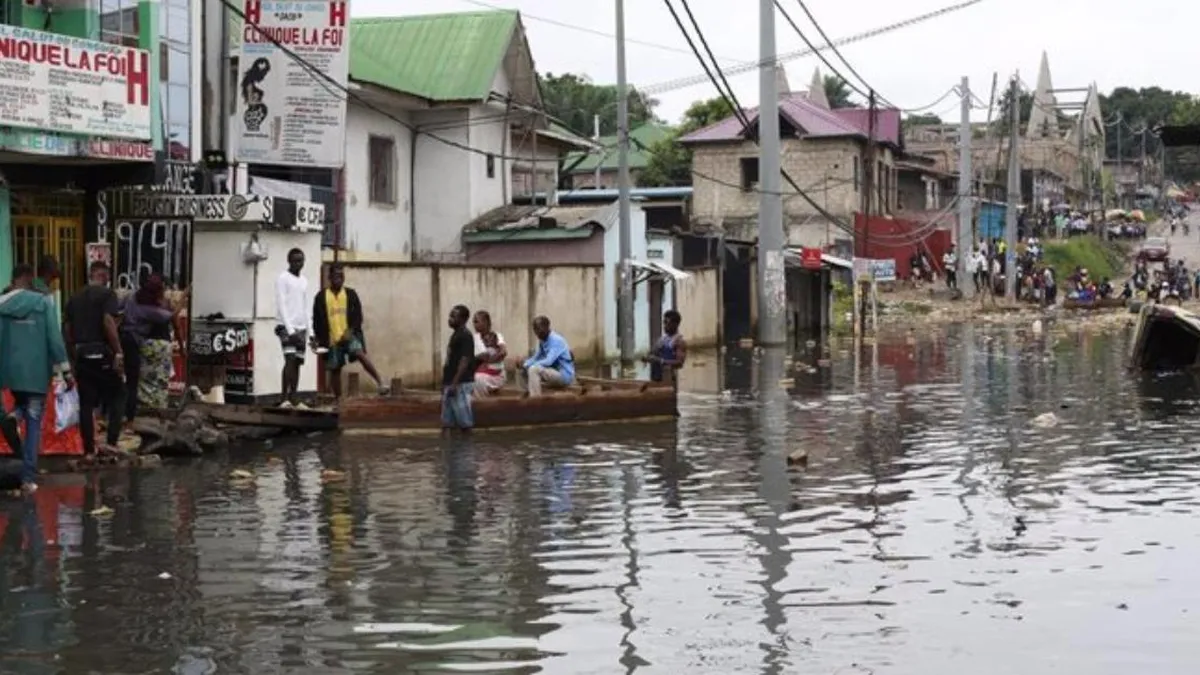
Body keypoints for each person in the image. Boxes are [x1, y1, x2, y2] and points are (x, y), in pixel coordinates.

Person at [0, 264, 71, 495]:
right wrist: (66, 370)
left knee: (22, 405)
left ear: (13, 279)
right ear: (29, 279)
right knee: (33, 425)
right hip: (37, 373)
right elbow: (54, 338)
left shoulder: (2, 304)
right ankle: (28, 478)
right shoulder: (43, 303)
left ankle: (14, 415)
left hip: (10, 373)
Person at [63, 262, 125, 457]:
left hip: (82, 354)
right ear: (104, 275)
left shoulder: (74, 297)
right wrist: (118, 352)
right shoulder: (107, 295)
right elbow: (108, 321)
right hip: (102, 352)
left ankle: (88, 450)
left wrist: (72, 357)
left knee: (86, 403)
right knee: (118, 395)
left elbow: (66, 330)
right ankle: (112, 442)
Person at [312, 263, 385, 400]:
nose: (339, 278)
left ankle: (380, 383)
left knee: (360, 353)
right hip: (332, 338)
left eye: (342, 275)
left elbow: (358, 316)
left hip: (349, 334)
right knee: (335, 368)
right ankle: (338, 399)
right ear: (329, 277)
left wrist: (350, 331)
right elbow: (317, 320)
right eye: (336, 275)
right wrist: (318, 339)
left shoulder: (350, 294)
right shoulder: (321, 297)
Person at [124, 275, 177, 413]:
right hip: (152, 345)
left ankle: (138, 408)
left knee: (140, 379)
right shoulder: (153, 310)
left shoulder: (134, 299)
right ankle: (152, 409)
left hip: (138, 342)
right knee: (157, 380)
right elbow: (171, 317)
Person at [274, 248, 311, 408]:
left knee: (297, 361)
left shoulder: (304, 281)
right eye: (295, 260)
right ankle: (284, 398)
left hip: (301, 327)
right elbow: (281, 304)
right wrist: (290, 330)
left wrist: (310, 332)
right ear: (289, 261)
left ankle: (294, 396)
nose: (298, 263)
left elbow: (306, 307)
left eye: (301, 260)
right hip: (286, 326)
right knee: (289, 359)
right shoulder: (283, 278)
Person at [519, 316, 574, 396]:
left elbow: (548, 361)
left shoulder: (556, 340)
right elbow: (536, 357)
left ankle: (535, 399)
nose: (537, 332)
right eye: (535, 329)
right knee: (523, 369)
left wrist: (530, 364)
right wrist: (524, 364)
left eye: (539, 329)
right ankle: (528, 393)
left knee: (533, 369)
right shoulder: (543, 340)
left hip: (564, 375)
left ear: (547, 327)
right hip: (553, 372)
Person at [441, 304, 475, 435]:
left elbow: (464, 361)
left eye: (453, 316)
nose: (449, 319)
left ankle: (467, 447)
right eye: (450, 316)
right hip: (451, 383)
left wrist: (455, 383)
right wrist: (446, 383)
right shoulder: (456, 335)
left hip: (460, 384)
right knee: (446, 423)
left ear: (463, 319)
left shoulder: (465, 336)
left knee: (465, 423)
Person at [644, 310, 687, 383]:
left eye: (666, 322)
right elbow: (653, 354)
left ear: (675, 324)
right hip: (655, 377)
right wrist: (647, 358)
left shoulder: (679, 341)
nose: (664, 325)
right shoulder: (662, 339)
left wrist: (661, 361)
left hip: (668, 378)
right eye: (664, 322)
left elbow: (679, 363)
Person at [471, 310, 507, 396]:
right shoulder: (474, 338)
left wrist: (487, 360)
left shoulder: (497, 336)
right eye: (474, 322)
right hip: (479, 371)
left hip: (496, 374)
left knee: (478, 378)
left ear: (486, 322)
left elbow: (503, 352)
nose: (474, 325)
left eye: (476, 322)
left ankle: (483, 401)